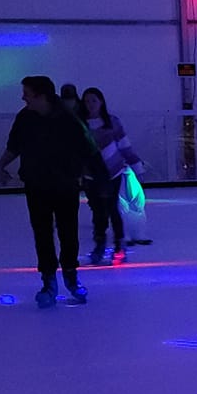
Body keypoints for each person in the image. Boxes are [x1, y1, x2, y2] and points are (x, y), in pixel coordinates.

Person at [0, 75, 105, 307]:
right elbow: (14, 146)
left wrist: (101, 180)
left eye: (27, 93)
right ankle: (48, 281)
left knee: (68, 232)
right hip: (36, 185)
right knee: (42, 233)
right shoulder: (25, 118)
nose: (23, 97)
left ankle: (71, 277)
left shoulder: (68, 119)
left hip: (65, 186)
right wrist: (1, 165)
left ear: (41, 95)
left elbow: (89, 149)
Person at [80, 86, 134, 264]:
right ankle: (100, 244)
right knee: (97, 211)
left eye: (93, 100)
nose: (90, 104)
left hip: (113, 172)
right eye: (87, 101)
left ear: (101, 102)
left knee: (111, 207)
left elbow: (124, 144)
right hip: (90, 174)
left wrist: (135, 163)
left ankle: (119, 244)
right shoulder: (80, 124)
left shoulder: (112, 122)